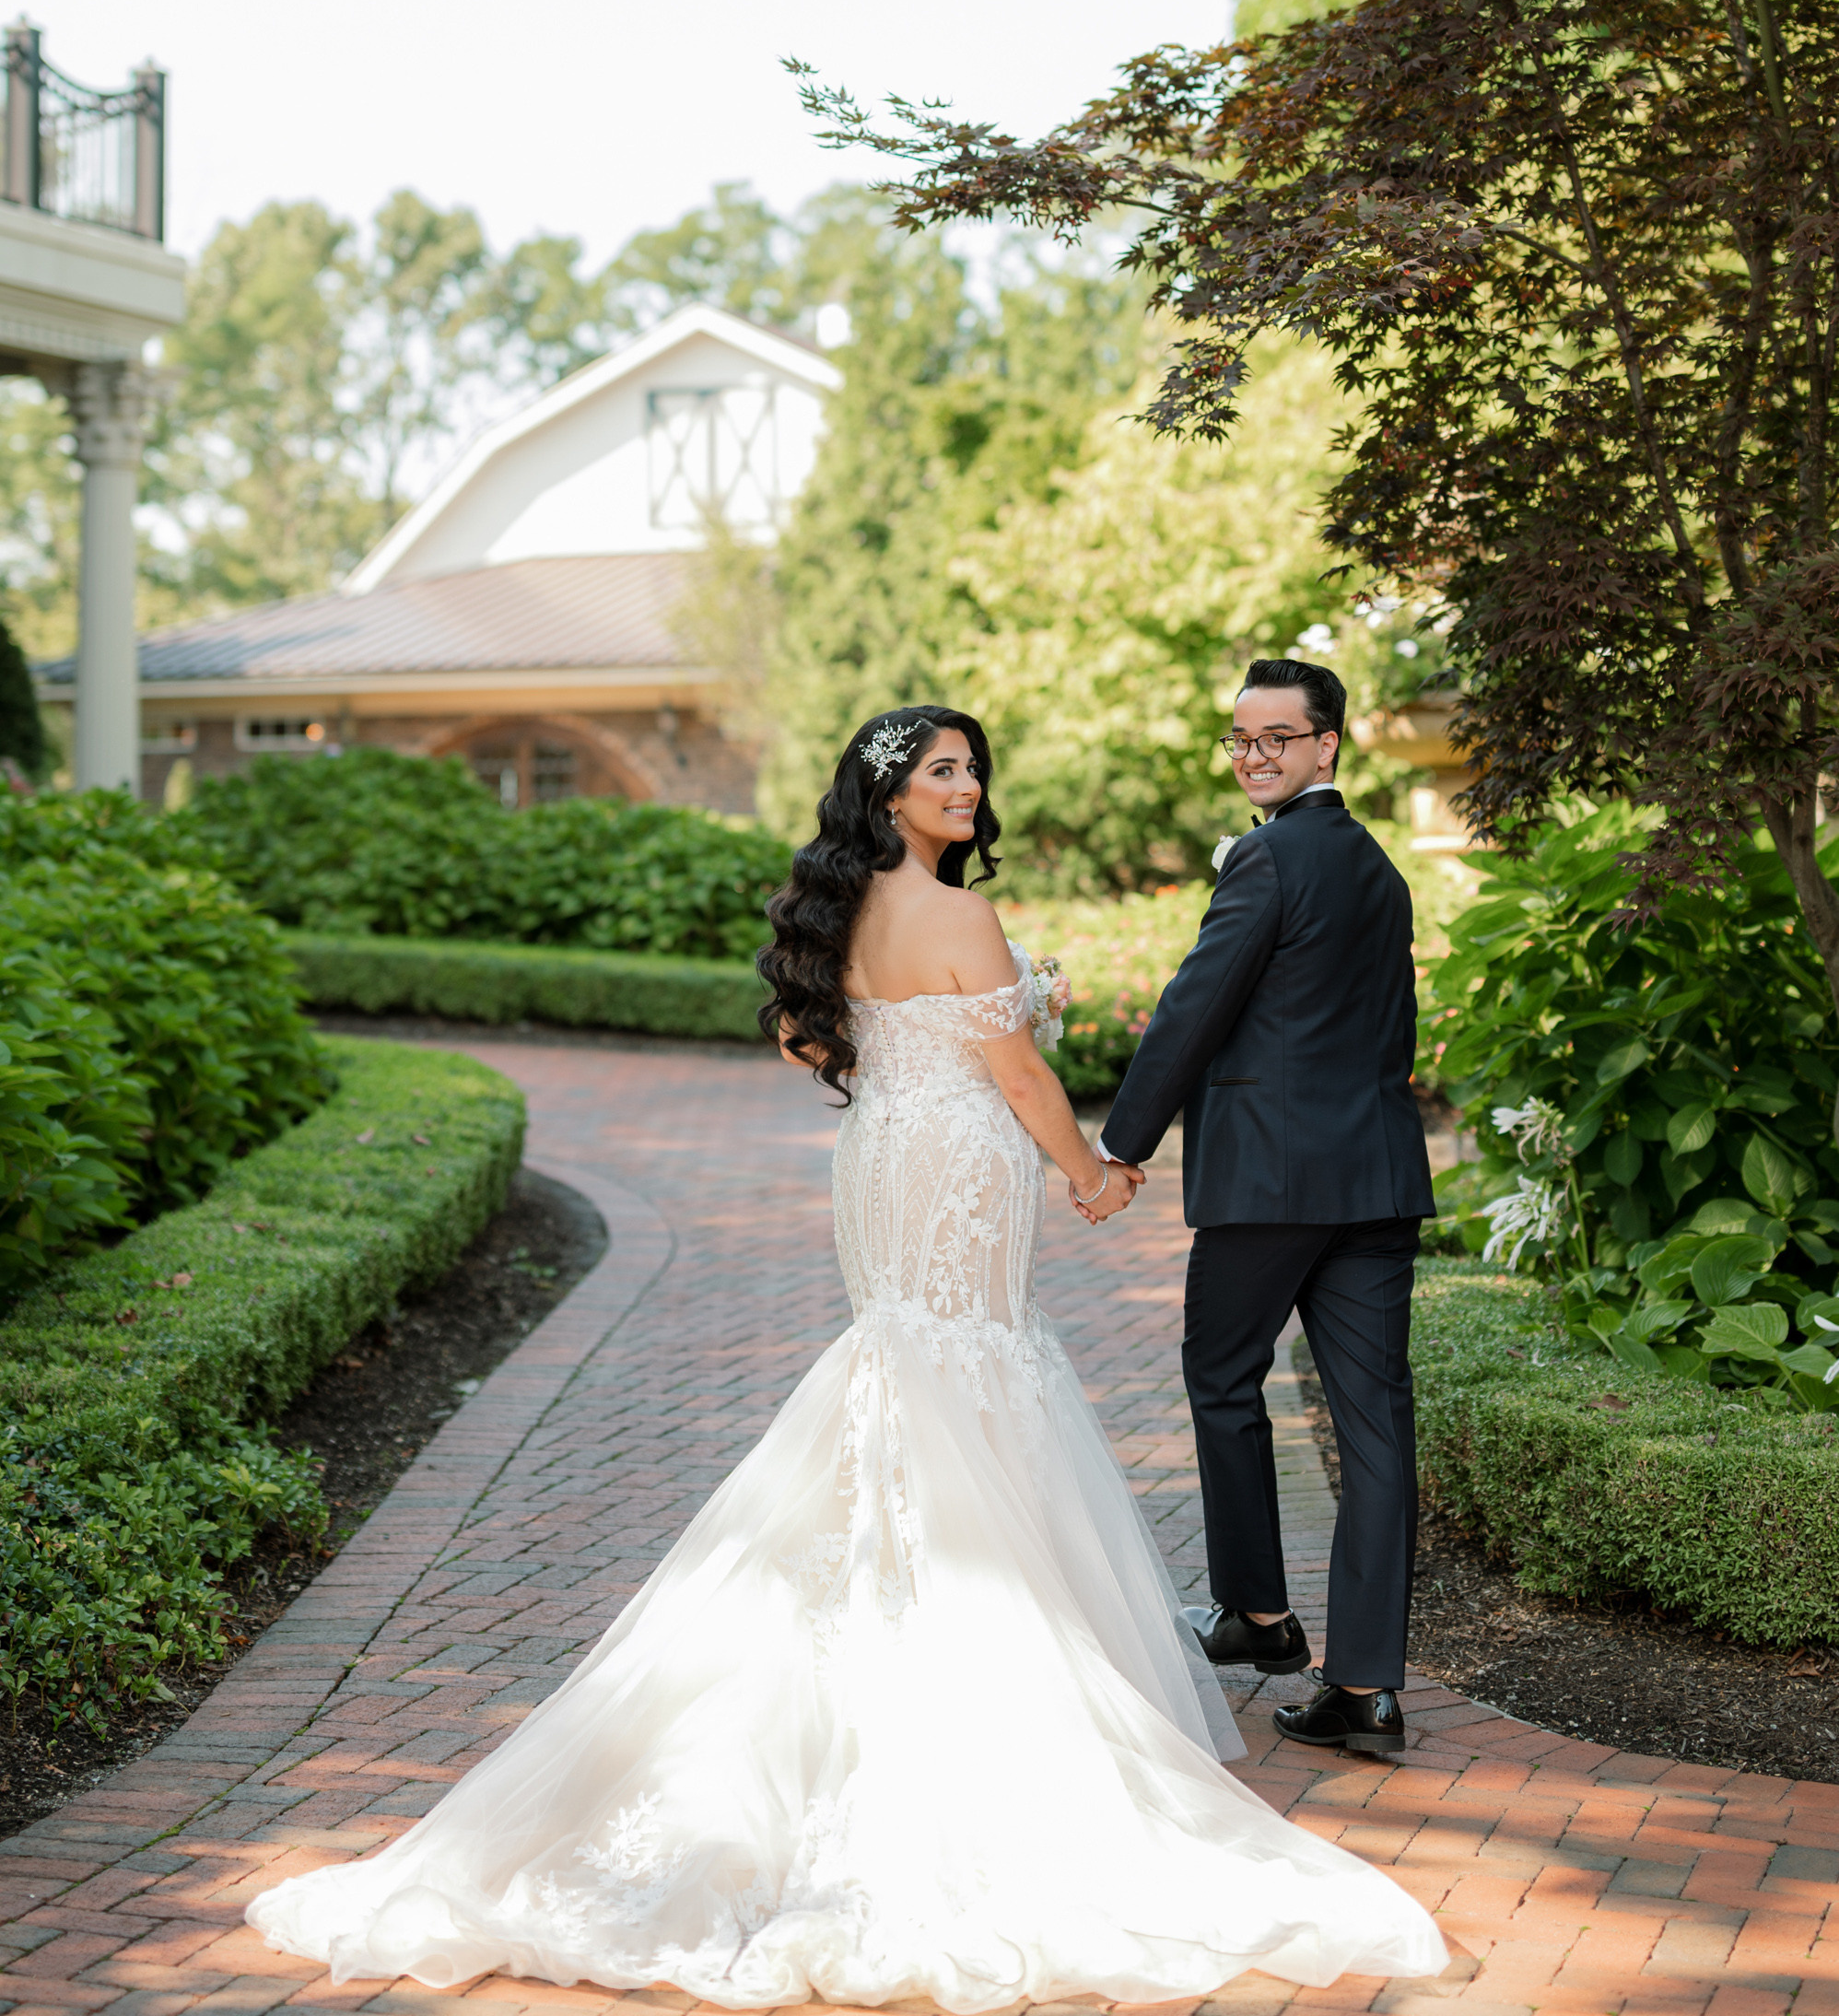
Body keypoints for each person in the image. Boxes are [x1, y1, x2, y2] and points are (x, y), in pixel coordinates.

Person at [248, 704, 1445, 2008]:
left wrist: (970, 1065)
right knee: (973, 1372)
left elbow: (815, 1039)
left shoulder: (834, 915)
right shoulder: (964, 917)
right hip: (970, 1165)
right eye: (944, 771)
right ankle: (984, 1664)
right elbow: (1028, 1080)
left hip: (883, 1157)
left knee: (901, 1364)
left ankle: (885, 1616)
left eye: (973, 767)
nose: (968, 785)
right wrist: (1091, 1169)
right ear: (889, 797)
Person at [1097, 656, 1435, 1756]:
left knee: (1221, 1377)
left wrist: (1118, 1145)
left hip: (1269, 1184)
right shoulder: (1381, 871)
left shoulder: (1265, 858)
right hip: (1376, 1179)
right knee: (1376, 1424)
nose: (1253, 757)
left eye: (1274, 740)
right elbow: (1394, 1038)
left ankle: (1257, 1618)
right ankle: (1367, 1689)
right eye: (1240, 740)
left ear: (1326, 745)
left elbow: (1193, 1008)